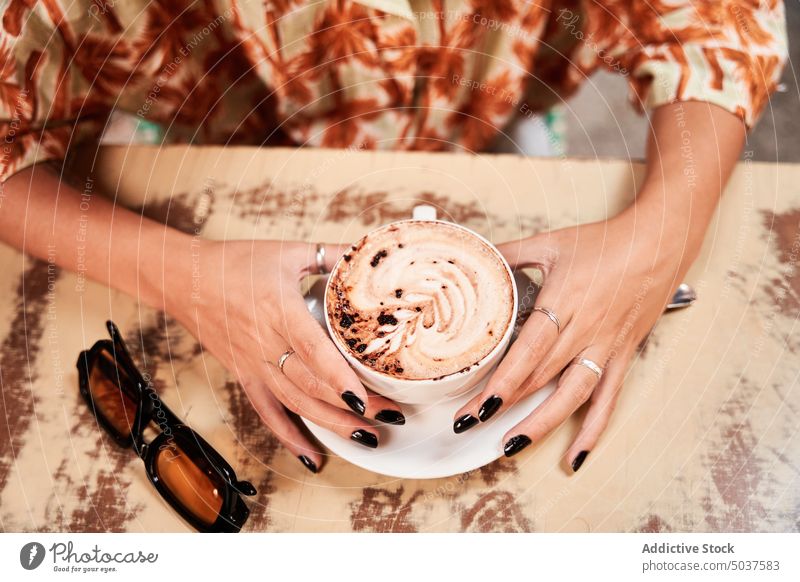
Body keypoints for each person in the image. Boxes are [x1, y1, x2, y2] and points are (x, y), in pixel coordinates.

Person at [0, 1, 787, 473]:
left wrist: (659, 236)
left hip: (494, 135)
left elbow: (716, 20)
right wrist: (182, 276)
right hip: (218, 155)